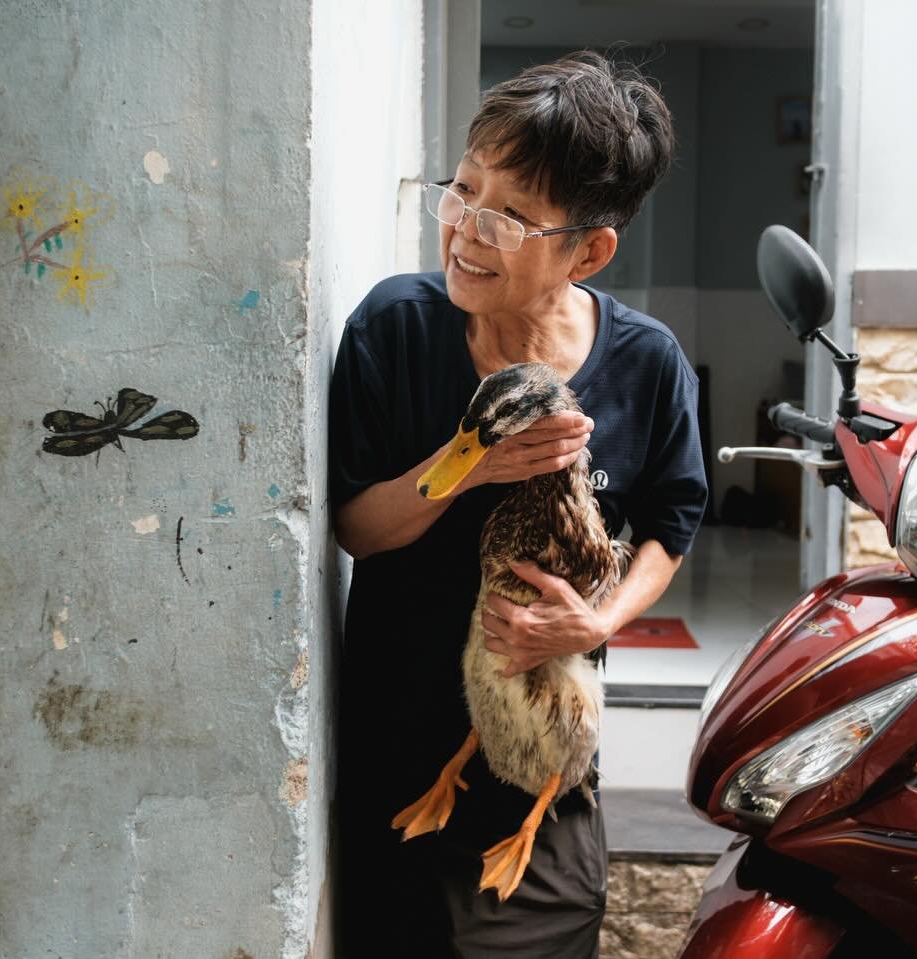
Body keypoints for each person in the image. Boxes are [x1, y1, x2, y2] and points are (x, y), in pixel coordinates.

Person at [329, 51, 707, 958]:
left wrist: (598, 620)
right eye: (462, 191)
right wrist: (472, 463)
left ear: (590, 250)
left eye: (509, 217)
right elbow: (355, 529)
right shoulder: (394, 328)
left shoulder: (648, 362)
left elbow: (671, 525)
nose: (466, 232)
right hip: (398, 758)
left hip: (542, 769)